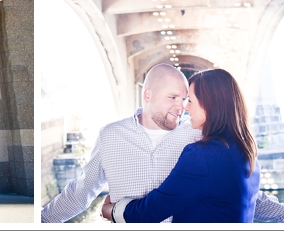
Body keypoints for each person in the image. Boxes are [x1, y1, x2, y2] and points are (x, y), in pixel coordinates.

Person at [41, 63, 284, 223]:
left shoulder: (200, 140)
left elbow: (246, 195)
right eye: (173, 98)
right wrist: (40, 221)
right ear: (148, 95)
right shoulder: (111, 136)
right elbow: (81, 191)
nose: (182, 107)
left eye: (186, 98)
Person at [103, 68, 266, 222]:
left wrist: (111, 211)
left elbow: (151, 211)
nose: (185, 108)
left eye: (190, 101)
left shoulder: (201, 156)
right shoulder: (247, 153)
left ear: (209, 106)